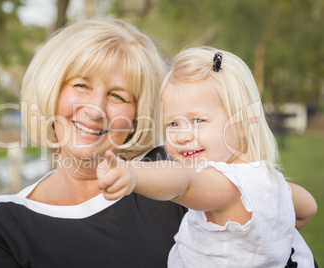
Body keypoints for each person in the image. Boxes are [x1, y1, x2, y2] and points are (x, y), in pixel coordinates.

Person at [0, 18, 187, 268]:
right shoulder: (2, 224)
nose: (95, 110)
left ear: (137, 117)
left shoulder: (173, 179)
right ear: (51, 90)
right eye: (81, 85)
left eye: (117, 96)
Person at [97, 47, 318, 267]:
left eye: (198, 121)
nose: (182, 136)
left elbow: (184, 182)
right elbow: (309, 208)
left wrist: (133, 172)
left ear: (243, 124)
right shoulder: (275, 185)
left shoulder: (225, 186)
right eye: (173, 123)